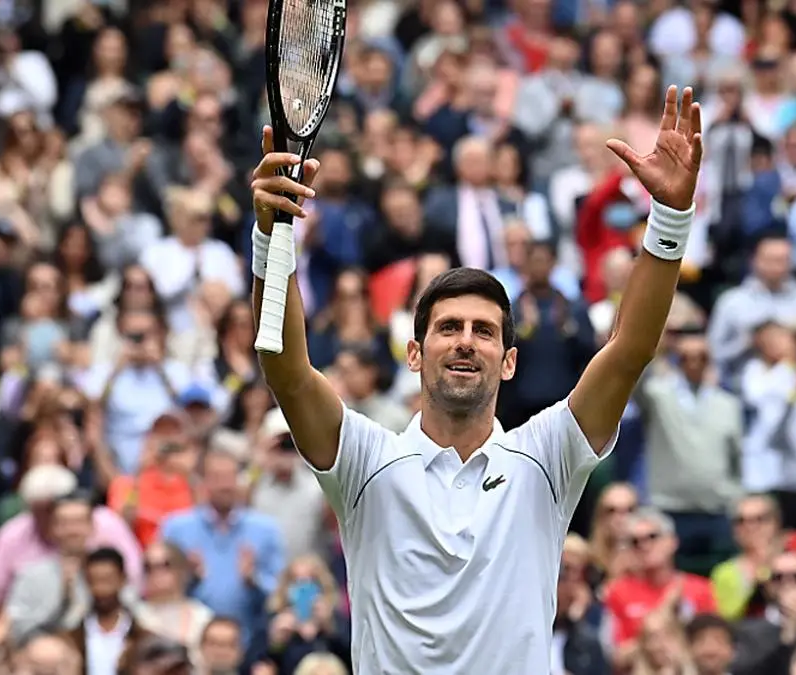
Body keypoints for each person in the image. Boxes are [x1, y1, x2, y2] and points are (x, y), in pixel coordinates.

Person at [246, 85, 704, 673]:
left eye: (484, 331)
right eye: (449, 328)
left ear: (508, 362)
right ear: (414, 354)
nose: (465, 340)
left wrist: (669, 218)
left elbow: (629, 351)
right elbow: (286, 369)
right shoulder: (365, 460)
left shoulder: (547, 457)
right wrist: (271, 237)